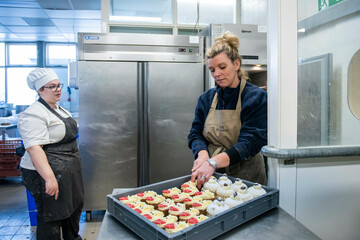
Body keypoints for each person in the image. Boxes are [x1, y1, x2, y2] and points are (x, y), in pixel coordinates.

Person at [188, 31, 267, 189]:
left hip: (247, 177)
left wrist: (213, 162)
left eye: (222, 67)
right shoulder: (206, 98)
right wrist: (202, 154)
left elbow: (250, 142)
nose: (217, 74)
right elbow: (195, 134)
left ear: (236, 64)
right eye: (212, 70)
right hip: (213, 176)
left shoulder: (255, 97)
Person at [18, 68, 84, 240]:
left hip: (67, 171)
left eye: (58, 85)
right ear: (40, 90)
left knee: (72, 210)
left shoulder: (60, 109)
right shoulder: (33, 113)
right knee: (51, 216)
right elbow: (34, 148)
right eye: (52, 86)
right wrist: (49, 178)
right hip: (45, 172)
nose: (58, 89)